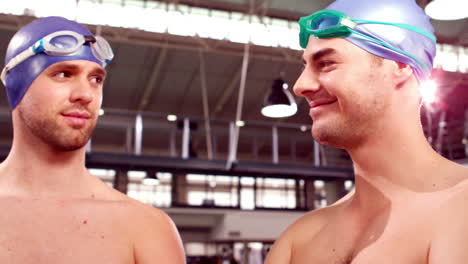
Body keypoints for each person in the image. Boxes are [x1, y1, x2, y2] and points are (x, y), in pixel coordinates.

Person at [265, 0, 468, 263]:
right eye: (304, 66)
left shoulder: (460, 210)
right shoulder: (298, 239)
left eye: (326, 63)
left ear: (400, 65)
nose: (300, 86)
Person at [0, 16, 185, 263]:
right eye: (64, 74)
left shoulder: (146, 229)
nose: (85, 94)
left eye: (96, 79)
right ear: (16, 84)